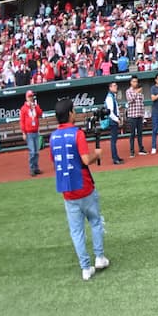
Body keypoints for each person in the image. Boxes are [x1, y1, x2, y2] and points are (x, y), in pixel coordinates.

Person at [48, 97, 110, 280]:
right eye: (73, 110)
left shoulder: (53, 137)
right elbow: (84, 160)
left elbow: (55, 161)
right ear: (69, 114)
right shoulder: (77, 133)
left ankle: (85, 267)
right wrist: (96, 154)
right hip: (85, 187)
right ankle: (99, 257)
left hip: (68, 191)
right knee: (95, 222)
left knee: (76, 231)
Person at [20, 90, 43, 176]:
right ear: (26, 98)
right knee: (32, 151)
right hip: (29, 133)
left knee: (36, 151)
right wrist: (23, 133)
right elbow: (22, 121)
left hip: (36, 131)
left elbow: (40, 113)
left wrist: (35, 107)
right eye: (29, 96)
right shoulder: (23, 108)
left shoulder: (35, 106)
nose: (31, 98)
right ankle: (32, 169)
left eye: (32, 96)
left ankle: (36, 168)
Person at [104, 81, 124, 164]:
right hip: (112, 121)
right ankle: (115, 159)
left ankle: (116, 157)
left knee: (114, 140)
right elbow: (110, 112)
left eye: (116, 85)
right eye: (114, 86)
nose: (116, 87)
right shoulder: (109, 97)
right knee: (113, 140)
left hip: (114, 120)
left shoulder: (113, 96)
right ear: (110, 87)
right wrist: (117, 119)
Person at [126, 76, 145, 157]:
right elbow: (130, 100)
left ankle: (141, 149)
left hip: (139, 115)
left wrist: (143, 115)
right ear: (131, 82)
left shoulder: (140, 91)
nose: (135, 83)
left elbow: (141, 103)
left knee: (140, 133)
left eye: (136, 81)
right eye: (133, 81)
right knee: (132, 134)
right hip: (132, 116)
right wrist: (136, 92)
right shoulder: (128, 91)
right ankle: (132, 151)